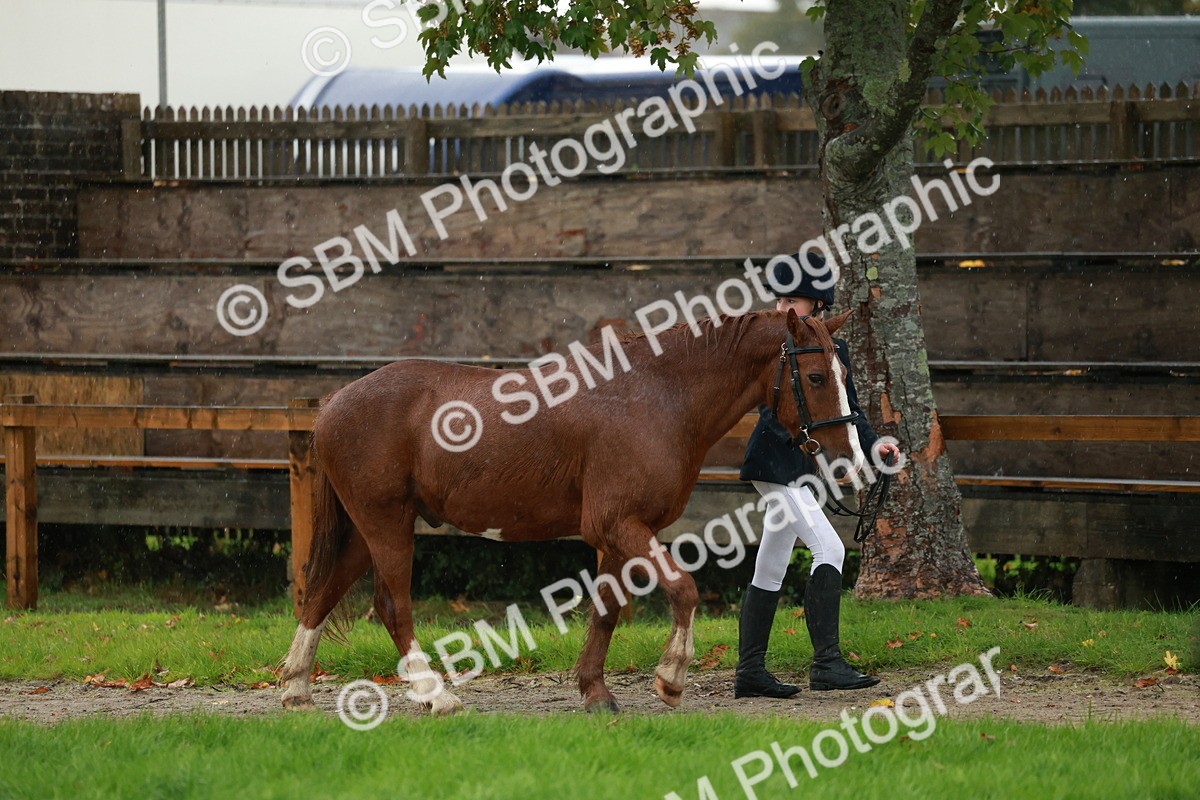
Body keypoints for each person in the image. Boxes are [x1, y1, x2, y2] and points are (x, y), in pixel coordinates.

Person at [734, 255, 901, 698]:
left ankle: (749, 672)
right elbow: (788, 416)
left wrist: (873, 444)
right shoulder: (780, 348)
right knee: (828, 547)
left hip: (798, 472)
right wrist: (828, 457)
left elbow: (846, 414)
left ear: (820, 307)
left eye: (795, 300)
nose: (784, 307)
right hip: (774, 466)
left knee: (770, 565)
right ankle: (826, 663)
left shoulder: (834, 353)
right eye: (781, 298)